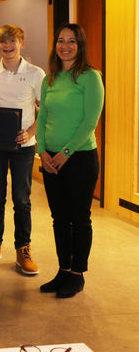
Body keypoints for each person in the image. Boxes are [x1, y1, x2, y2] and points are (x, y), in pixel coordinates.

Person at [37, 23, 104, 299]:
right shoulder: (49, 78)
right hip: (50, 159)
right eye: (61, 41)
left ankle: (77, 274)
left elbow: (90, 121)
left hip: (80, 158)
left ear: (80, 46)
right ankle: (63, 269)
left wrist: (65, 153)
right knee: (59, 218)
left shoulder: (91, 76)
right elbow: (42, 117)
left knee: (79, 218)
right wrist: (42, 152)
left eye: (72, 41)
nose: (65, 46)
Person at [0, 25, 45, 275]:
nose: (8, 46)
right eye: (3, 42)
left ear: (22, 43)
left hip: (24, 146)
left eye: (12, 41)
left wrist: (30, 132)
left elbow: (44, 108)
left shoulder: (37, 74)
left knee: (22, 199)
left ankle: (23, 249)